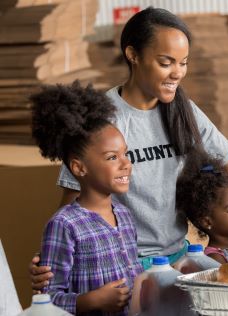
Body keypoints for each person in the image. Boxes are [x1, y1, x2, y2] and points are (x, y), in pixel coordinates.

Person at [30, 7, 228, 288]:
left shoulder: (181, 109)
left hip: (177, 261)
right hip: (123, 268)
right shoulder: (105, 120)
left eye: (183, 63)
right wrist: (53, 259)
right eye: (166, 62)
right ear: (132, 54)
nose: (177, 72)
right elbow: (74, 204)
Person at [30, 82, 143, 315]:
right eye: (112, 157)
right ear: (79, 168)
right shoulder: (64, 224)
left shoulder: (124, 214)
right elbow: (47, 300)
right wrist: (93, 300)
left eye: (126, 154)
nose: (126, 163)